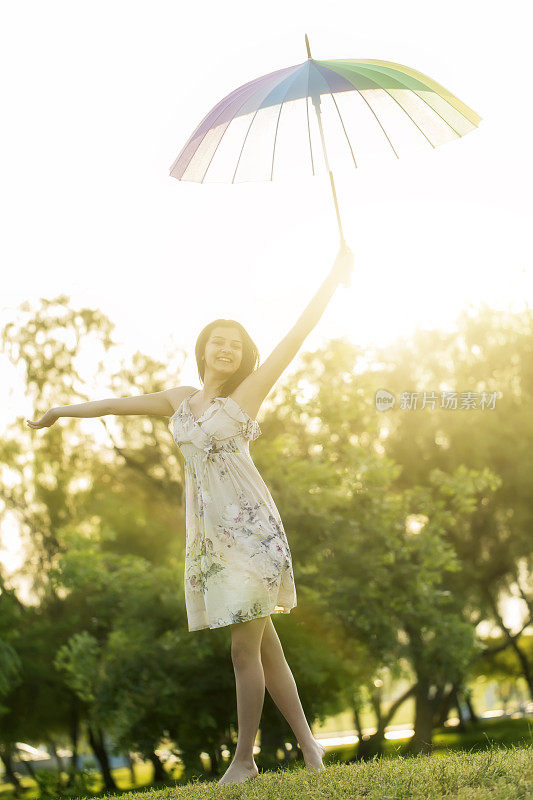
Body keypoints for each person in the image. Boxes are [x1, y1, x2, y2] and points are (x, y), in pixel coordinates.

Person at [27, 241, 355, 786]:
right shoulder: (180, 400)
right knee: (265, 647)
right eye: (217, 342)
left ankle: (245, 761)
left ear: (242, 354)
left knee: (242, 651)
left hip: (251, 533)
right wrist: (61, 410)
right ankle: (311, 748)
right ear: (203, 349)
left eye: (235, 344)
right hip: (211, 541)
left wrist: (334, 275)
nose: (225, 349)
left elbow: (297, 334)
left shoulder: (249, 393)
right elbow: (113, 404)